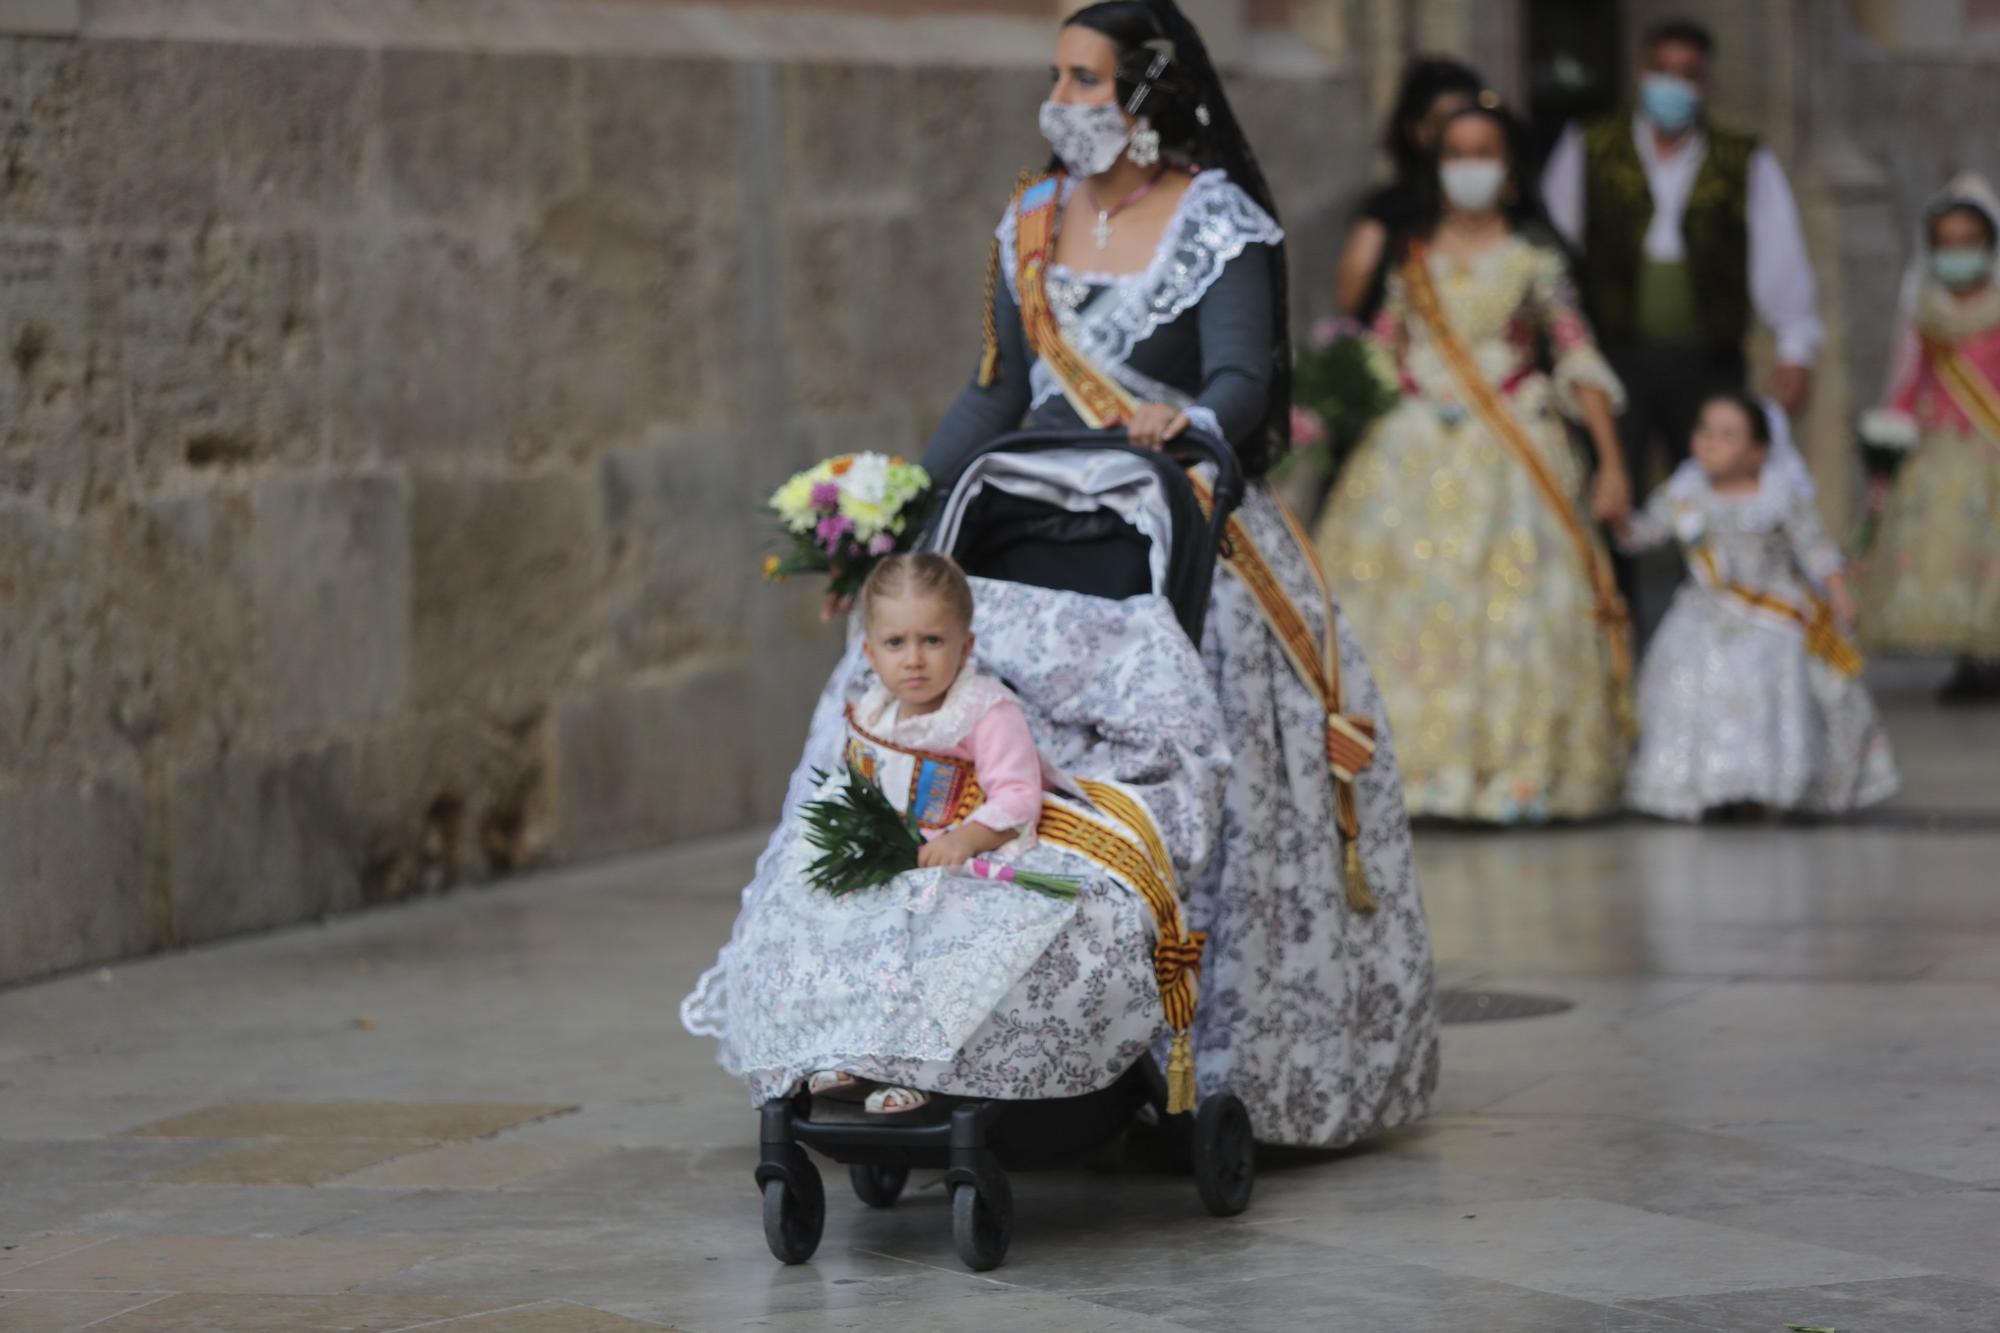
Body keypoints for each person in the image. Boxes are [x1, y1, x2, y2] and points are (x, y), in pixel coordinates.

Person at [922, 0, 1439, 1149]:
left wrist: (1187, 418)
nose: (1060, 101)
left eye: (1084, 80)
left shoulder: (1218, 223)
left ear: (1148, 97)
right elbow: (991, 398)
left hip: (1179, 537)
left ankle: (1202, 1058)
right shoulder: (1029, 223)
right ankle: (979, 1041)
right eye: (1055, 76)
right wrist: (900, 520)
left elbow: (1246, 380)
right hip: (1033, 555)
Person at [1315, 101, 1633, 822]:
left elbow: (1577, 353)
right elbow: (1384, 348)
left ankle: (1510, 772)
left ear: (1510, 166)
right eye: (1456, 151)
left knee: (1513, 609)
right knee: (1400, 606)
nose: (1469, 165)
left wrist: (1611, 462)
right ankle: (1411, 769)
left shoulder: (1534, 259)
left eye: (1484, 150)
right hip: (1411, 445)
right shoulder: (1413, 257)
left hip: (1510, 445)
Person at [1541, 18, 1822, 632]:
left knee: (1713, 492)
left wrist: (1796, 344)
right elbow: (1552, 254)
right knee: (1612, 494)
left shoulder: (1741, 160)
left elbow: (1778, 257)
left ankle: (1712, 631)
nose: (1673, 86)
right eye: (1662, 71)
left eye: (1687, 75)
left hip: (1707, 359)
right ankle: (1615, 636)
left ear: (1707, 83)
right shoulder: (1589, 146)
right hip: (1615, 360)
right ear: (1641, 73)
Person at [805, 554, 1054, 1114]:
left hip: (962, 859)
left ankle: (921, 1070)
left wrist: (965, 838)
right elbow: (857, 784)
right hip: (896, 860)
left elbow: (1017, 793)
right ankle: (852, 1051)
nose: (913, 661)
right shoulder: (872, 712)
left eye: (933, 641)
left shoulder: (984, 711)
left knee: (939, 944)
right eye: (895, 644)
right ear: (869, 653)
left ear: (965, 647)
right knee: (839, 923)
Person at [1617, 393, 1898, 819]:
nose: (1710, 442)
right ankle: (1708, 787)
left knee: (1777, 685)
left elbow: (1814, 546)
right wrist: (1618, 518)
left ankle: (1770, 786)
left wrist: (1838, 591)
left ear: (1757, 453)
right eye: (1704, 431)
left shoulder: (1779, 495)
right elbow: (1642, 535)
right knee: (1692, 683)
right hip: (1705, 613)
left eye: (1727, 436)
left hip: (1774, 615)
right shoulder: (1682, 495)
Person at [1857, 173, 2000, 703]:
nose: (1957, 255)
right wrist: (1890, 432)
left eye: (1969, 243)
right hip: (1939, 449)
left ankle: (1991, 657)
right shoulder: (1926, 310)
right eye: (1947, 245)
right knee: (1949, 553)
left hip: (1991, 449)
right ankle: (1968, 659)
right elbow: (1908, 376)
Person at [1334, 57, 1484, 322]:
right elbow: (1349, 301)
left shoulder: (1510, 211)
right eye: (1444, 123)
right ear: (1416, 130)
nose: (1456, 135)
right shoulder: (1388, 212)